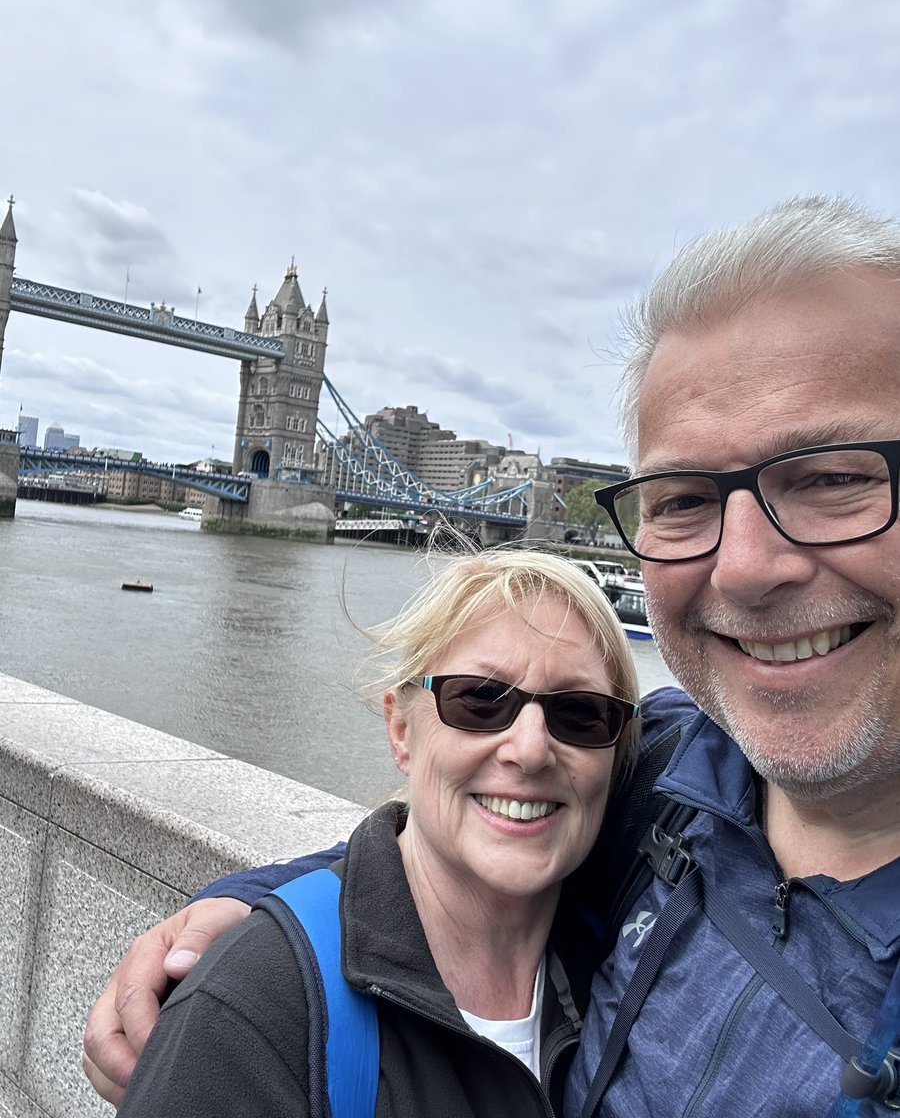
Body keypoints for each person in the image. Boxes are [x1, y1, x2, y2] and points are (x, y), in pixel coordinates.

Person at [85, 195, 900, 1116]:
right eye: (681, 501)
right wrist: (246, 922)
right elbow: (451, 851)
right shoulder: (668, 778)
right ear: (401, 719)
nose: (746, 569)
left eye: (836, 478)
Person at [112, 547, 641, 1116]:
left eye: (582, 713)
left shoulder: (632, 968)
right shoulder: (257, 1004)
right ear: (400, 731)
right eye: (481, 700)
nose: (532, 749)